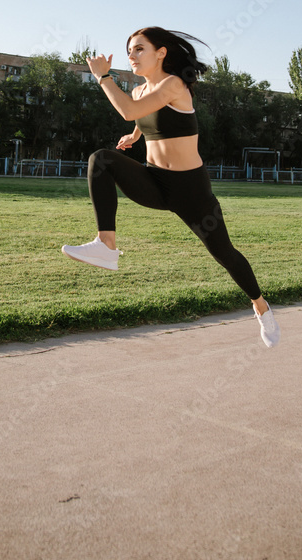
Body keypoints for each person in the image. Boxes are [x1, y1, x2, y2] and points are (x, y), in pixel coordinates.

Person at [62, 26, 280, 348]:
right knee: (101, 160)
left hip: (190, 189)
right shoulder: (140, 92)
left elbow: (128, 111)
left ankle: (260, 305)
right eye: (129, 51)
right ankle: (106, 246)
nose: (132, 56)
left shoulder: (174, 84)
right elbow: (140, 116)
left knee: (225, 254)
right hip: (154, 181)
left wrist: (103, 77)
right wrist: (135, 137)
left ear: (160, 53)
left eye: (139, 49)